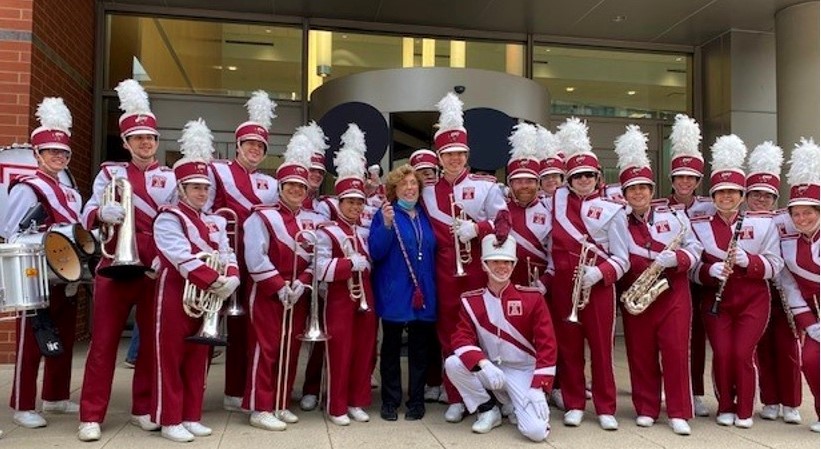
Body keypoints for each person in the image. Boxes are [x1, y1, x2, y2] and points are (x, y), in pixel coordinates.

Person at [78, 79, 177, 441]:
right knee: (103, 344)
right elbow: (86, 214)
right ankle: (90, 414)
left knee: (152, 343)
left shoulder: (169, 176)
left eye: (150, 138)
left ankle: (143, 407)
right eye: (138, 139)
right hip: (114, 268)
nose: (145, 143)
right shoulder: (109, 173)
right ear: (126, 143)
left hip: (153, 269)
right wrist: (103, 213)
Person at [420, 92, 509, 423]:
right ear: (440, 157)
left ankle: (489, 397)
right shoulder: (427, 191)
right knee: (447, 334)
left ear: (467, 155)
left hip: (476, 271)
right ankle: (457, 396)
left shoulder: (486, 187)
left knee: (483, 334)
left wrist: (478, 228)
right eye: (448, 154)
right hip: (442, 273)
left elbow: (504, 224)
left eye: (459, 154)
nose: (455, 159)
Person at [150, 119, 240, 442]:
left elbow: (228, 253)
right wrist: (216, 280)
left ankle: (191, 414)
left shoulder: (215, 221)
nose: (202, 192)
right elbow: (181, 257)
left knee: (198, 357)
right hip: (176, 294)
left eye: (205, 188)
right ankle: (169, 417)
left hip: (206, 299)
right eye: (195, 188)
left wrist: (232, 278)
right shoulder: (169, 217)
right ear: (182, 190)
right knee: (171, 358)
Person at [690, 134, 783, 429]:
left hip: (753, 298)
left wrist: (750, 262)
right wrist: (708, 272)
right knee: (723, 353)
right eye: (720, 193)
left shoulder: (763, 223)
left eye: (733, 192)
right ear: (713, 196)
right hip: (716, 300)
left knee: (742, 353)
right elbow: (693, 267)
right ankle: (725, 406)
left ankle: (744, 408)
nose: (726, 197)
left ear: (742, 196)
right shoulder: (698, 224)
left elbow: (776, 265)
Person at [614, 125, 702, 436]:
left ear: (652, 191)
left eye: (643, 188)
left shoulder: (674, 216)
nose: (638, 194)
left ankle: (678, 411)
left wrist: (676, 261)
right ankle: (647, 407)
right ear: (624, 194)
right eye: (632, 190)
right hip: (637, 295)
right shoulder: (618, 223)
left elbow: (695, 251)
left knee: (676, 352)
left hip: (673, 294)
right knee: (640, 353)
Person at [2, 98, 82, 429]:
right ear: (37, 154)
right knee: (32, 340)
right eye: (51, 152)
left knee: (63, 335)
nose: (58, 158)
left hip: (67, 273)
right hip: (36, 273)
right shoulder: (28, 188)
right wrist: (52, 240)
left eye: (63, 153)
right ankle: (22, 403)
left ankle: (56, 396)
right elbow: (11, 233)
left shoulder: (70, 192)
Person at [547, 117, 629, 430]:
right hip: (563, 284)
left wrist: (601, 273)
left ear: (598, 177)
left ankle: (606, 406)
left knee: (601, 349)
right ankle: (574, 402)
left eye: (588, 175)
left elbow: (622, 258)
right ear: (568, 178)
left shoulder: (612, 208)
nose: (583, 180)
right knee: (569, 349)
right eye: (577, 175)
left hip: (598, 287)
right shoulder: (556, 200)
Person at [242, 131, 325, 431]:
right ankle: (259, 407)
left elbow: (319, 257)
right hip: (267, 293)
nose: (296, 190)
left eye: (301, 186)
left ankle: (280, 401)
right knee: (266, 348)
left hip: (298, 292)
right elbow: (255, 257)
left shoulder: (313, 220)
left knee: (290, 349)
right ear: (280, 186)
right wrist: (279, 286)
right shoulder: (260, 216)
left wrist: (302, 282)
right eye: (290, 185)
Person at [205, 90, 278, 412]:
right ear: (238, 146)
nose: (254, 150)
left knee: (246, 331)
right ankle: (192, 396)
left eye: (260, 146)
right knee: (203, 330)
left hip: (254, 263)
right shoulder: (217, 170)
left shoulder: (269, 182)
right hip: (221, 261)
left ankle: (237, 392)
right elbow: (204, 212)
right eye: (249, 144)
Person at [445, 234, 557, 441]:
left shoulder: (532, 298)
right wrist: (482, 363)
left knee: (536, 432)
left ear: (514, 265)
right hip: (491, 369)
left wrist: (538, 386)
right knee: (453, 363)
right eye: (495, 261)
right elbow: (461, 338)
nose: (502, 266)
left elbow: (547, 345)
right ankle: (488, 409)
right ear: (484, 265)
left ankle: (512, 403)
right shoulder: (472, 300)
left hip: (523, 370)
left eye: (507, 262)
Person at [313, 124, 378, 425]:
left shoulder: (365, 231)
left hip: (366, 298)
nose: (354, 207)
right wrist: (348, 265)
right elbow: (320, 270)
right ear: (338, 203)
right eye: (349, 202)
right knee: (339, 351)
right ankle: (336, 405)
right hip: (340, 298)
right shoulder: (326, 231)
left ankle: (357, 401)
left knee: (364, 351)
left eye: (358, 202)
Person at [369, 164, 437, 421]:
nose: (410, 188)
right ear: (394, 190)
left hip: (425, 291)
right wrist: (386, 225)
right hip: (394, 290)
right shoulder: (386, 213)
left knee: (421, 350)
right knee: (391, 349)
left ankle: (416, 401)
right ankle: (390, 400)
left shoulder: (425, 215)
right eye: (404, 184)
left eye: (413, 184)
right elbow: (376, 251)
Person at [658, 114, 715, 416]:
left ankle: (695, 391)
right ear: (672, 179)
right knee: (668, 338)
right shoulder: (660, 207)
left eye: (691, 178)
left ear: (698, 181)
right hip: (672, 278)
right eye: (680, 177)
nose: (685, 182)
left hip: (702, 280)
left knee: (696, 338)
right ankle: (669, 388)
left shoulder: (708, 205)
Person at [745, 142, 802, 424]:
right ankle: (769, 400)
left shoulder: (788, 219)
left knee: (789, 347)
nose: (761, 199)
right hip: (757, 290)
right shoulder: (741, 221)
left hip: (784, 294)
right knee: (763, 348)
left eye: (767, 195)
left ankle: (791, 403)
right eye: (755, 194)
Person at [777, 137, 820, 433]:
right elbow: (788, 282)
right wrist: (808, 322)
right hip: (813, 315)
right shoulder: (789, 243)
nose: (802, 218)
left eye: (809, 212)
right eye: (797, 213)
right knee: (811, 361)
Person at [407, 148, 444, 403]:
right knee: (426, 334)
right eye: (421, 173)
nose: (427, 177)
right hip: (420, 277)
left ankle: (448, 382)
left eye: (430, 172)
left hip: (445, 270)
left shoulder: (442, 196)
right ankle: (432, 381)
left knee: (447, 331)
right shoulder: (410, 202)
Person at [504, 123, 551, 289]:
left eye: (530, 181)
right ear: (510, 184)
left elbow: (555, 257)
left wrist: (545, 283)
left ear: (538, 184)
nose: (524, 186)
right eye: (518, 181)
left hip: (541, 290)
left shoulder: (550, 209)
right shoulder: (498, 209)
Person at [535, 125, 564, 198]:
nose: (550, 180)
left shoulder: (572, 199)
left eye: (554, 176)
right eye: (545, 177)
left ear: (562, 179)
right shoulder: (533, 202)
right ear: (540, 182)